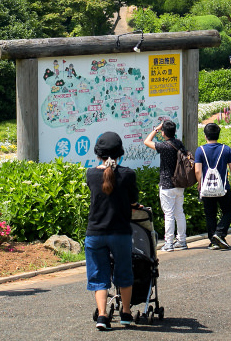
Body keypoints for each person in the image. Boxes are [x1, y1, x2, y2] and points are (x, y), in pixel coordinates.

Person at [85, 132, 140, 330]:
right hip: (121, 233)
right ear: (119, 154)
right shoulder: (128, 174)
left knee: (99, 275)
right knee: (124, 272)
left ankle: (102, 316)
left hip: (95, 234)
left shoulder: (90, 174)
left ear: (98, 154)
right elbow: (133, 201)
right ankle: (125, 313)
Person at [142, 119, 188, 251]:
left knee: (168, 214)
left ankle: (169, 243)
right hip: (179, 184)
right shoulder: (179, 144)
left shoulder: (164, 146)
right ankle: (182, 241)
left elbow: (146, 141)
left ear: (163, 133)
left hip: (167, 184)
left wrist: (156, 128)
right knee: (179, 212)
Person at [194, 122, 231, 250]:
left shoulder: (200, 150)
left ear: (205, 136)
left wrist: (199, 184)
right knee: (229, 210)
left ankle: (213, 239)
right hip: (223, 187)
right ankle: (219, 234)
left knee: (210, 214)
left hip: (206, 187)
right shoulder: (226, 149)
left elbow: (197, 171)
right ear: (218, 134)